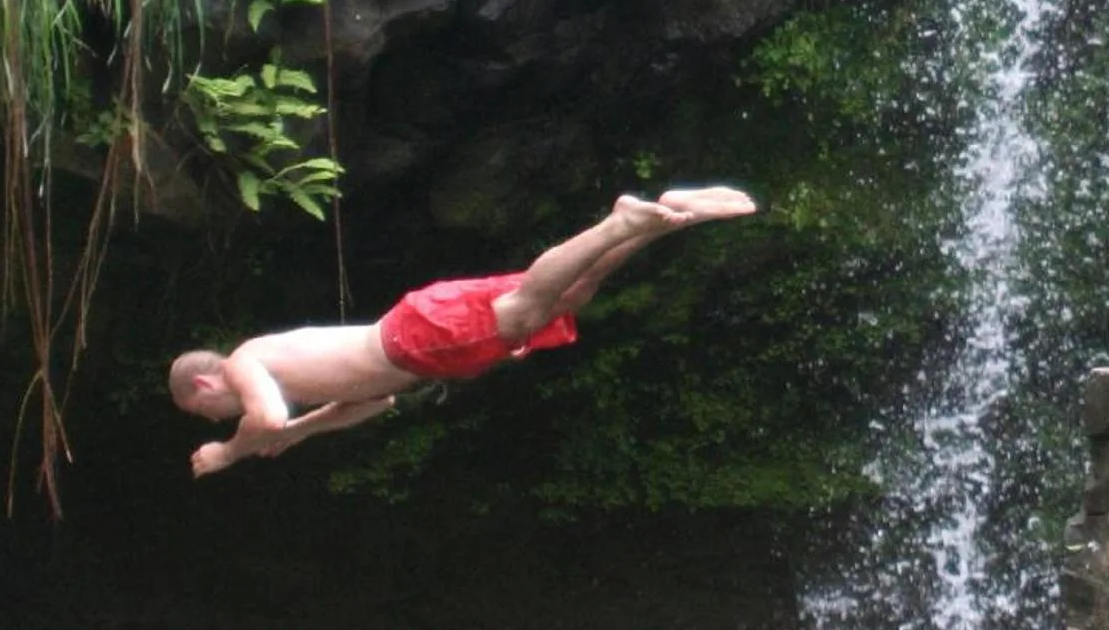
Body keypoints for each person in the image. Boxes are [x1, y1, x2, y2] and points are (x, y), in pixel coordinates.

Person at [169, 186, 757, 477]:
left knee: (530, 305)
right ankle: (661, 220)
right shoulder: (284, 370)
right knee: (567, 295)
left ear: (202, 383)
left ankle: (617, 223)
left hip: (415, 339)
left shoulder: (245, 362)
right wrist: (301, 433)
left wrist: (229, 451)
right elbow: (374, 403)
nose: (221, 418)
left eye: (209, 414)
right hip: (417, 334)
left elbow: (262, 419)